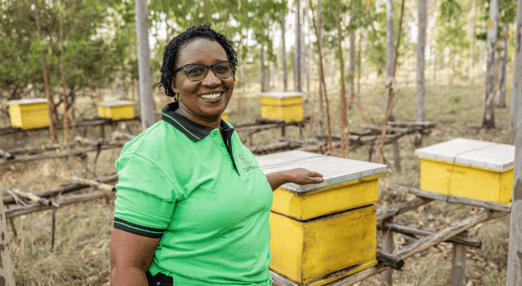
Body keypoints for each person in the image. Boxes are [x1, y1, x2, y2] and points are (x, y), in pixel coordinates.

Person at [109, 24, 324, 286]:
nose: (212, 80)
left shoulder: (224, 132)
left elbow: (231, 191)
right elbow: (127, 268)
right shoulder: (153, 154)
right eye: (195, 71)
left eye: (221, 68)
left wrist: (283, 176)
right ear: (173, 83)